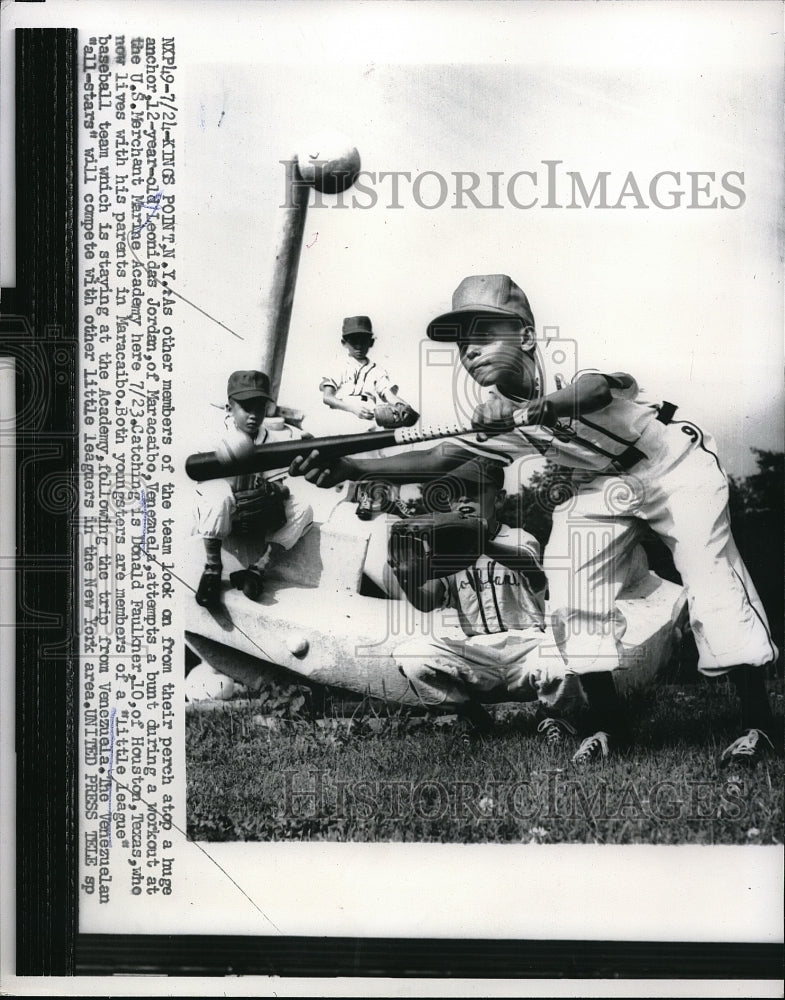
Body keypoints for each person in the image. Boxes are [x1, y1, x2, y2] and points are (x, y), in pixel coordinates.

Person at [290, 274, 779, 767]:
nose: (469, 352)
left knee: (710, 572)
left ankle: (759, 724)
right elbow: (440, 457)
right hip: (599, 485)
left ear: (525, 336)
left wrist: (537, 408)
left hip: (670, 460)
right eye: (462, 345)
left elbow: (593, 392)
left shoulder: (572, 369)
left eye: (482, 337)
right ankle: (610, 727)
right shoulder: (491, 416)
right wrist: (353, 468)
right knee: (571, 590)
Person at [391, 457, 595, 747]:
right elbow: (428, 601)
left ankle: (553, 715)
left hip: (528, 648)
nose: (463, 499)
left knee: (570, 655)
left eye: (474, 491)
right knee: (412, 655)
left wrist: (479, 541)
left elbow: (528, 565)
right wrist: (406, 576)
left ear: (498, 499)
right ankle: (473, 716)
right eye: (455, 493)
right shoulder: (444, 550)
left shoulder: (519, 537)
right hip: (478, 654)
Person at [192, 370, 313, 608]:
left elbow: (281, 485)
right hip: (222, 516)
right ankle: (212, 569)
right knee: (217, 493)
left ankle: (257, 570)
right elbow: (201, 485)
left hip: (256, 516)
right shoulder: (214, 437)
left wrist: (273, 492)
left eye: (260, 407)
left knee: (303, 507)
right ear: (230, 408)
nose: (254, 415)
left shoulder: (273, 439)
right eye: (246, 407)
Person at [319, 315, 417, 518]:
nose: (358, 344)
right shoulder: (338, 365)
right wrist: (353, 409)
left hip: (370, 415)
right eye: (353, 339)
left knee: (402, 440)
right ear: (343, 342)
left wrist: (402, 405)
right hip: (343, 413)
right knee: (365, 442)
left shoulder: (377, 370)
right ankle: (365, 495)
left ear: (371, 342)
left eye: (363, 339)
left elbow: (389, 395)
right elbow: (328, 398)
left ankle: (393, 498)